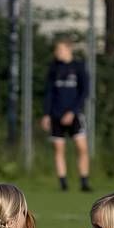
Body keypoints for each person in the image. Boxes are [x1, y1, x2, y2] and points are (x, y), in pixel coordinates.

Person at [41, 39, 91, 193]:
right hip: (56, 114)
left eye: (60, 49)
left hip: (74, 115)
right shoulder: (54, 68)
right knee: (58, 149)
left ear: (69, 50)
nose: (57, 52)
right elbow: (49, 92)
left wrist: (73, 111)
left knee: (82, 148)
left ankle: (84, 182)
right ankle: (63, 183)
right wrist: (46, 114)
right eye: (56, 50)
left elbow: (84, 92)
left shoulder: (79, 67)